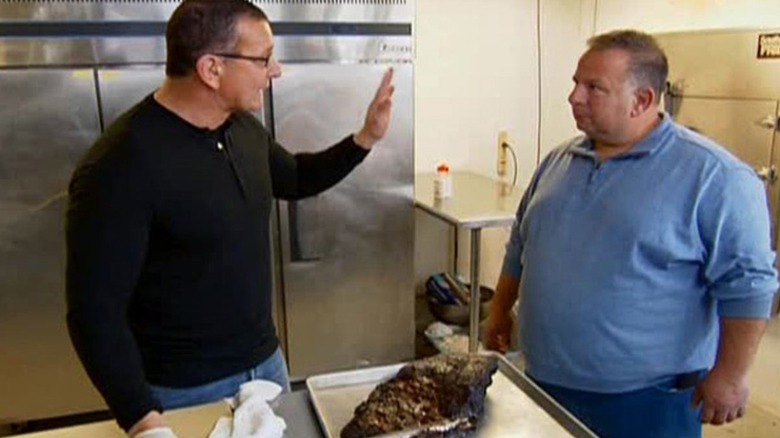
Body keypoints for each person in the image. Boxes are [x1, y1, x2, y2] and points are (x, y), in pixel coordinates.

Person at [65, 1, 394, 436]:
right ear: (211, 69)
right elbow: (94, 314)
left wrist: (365, 138)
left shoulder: (240, 128)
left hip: (267, 368)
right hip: (185, 392)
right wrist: (144, 422)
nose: (275, 71)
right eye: (263, 58)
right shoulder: (121, 164)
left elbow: (293, 176)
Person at [485, 29, 778, 438]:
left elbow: (748, 284)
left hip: (647, 403)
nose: (574, 97)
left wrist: (730, 375)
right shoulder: (559, 160)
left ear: (642, 100)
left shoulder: (715, 177)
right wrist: (500, 310)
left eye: (593, 88)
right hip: (544, 383)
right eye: (575, 83)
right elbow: (521, 243)